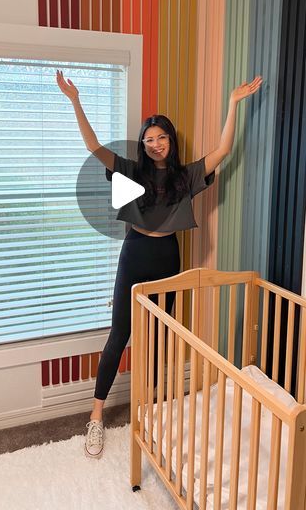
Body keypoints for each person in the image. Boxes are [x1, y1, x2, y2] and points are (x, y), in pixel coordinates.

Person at [56, 70, 263, 458]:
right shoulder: (132, 171)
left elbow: (222, 151)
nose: (155, 144)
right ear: (143, 144)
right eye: (148, 140)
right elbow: (94, 146)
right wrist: (75, 100)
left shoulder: (185, 177)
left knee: (158, 337)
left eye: (161, 137)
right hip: (135, 254)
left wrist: (234, 104)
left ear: (170, 140)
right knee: (120, 335)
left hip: (169, 257)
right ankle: (96, 416)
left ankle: (149, 409)